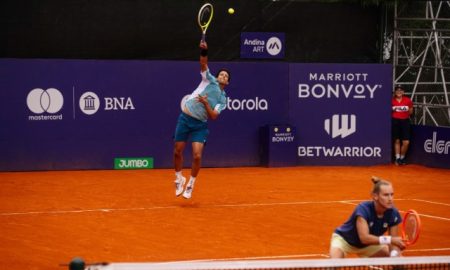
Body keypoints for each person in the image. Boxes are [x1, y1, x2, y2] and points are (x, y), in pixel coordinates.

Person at [172, 40, 230, 199]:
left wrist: (205, 103)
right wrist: (204, 51)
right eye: (221, 74)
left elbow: (213, 116)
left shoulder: (223, 99)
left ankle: (190, 183)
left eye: (226, 76)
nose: (223, 76)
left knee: (197, 155)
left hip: (200, 125)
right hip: (185, 118)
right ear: (217, 77)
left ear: (227, 82)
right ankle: (178, 178)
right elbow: (203, 64)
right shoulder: (208, 79)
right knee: (177, 151)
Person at [329, 177, 405, 258]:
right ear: (375, 196)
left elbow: (393, 244)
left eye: (392, 194)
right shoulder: (363, 209)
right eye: (386, 195)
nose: (390, 199)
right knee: (333, 266)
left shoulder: (393, 213)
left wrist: (394, 254)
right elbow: (364, 238)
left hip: (369, 245)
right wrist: (390, 239)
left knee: (400, 262)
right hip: (344, 241)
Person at [392, 85, 413, 165]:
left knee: (406, 142)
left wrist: (403, 113)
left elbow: (410, 112)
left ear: (403, 92)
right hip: (395, 121)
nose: (399, 92)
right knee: (397, 140)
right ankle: (397, 158)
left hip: (405, 121)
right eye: (397, 90)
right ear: (395, 92)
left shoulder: (408, 100)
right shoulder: (391, 101)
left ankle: (402, 157)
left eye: (401, 90)